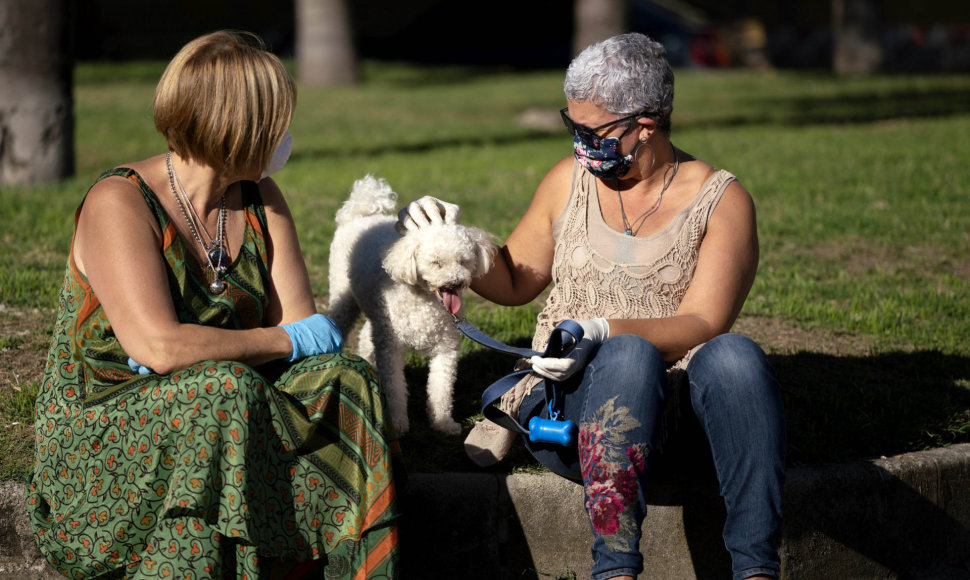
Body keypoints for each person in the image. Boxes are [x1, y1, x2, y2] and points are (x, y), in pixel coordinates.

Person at [398, 33, 785, 580]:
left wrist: (601, 330)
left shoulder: (722, 200)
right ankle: (615, 570)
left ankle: (756, 570)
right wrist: (447, 237)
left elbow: (704, 322)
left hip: (677, 418)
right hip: (573, 414)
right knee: (627, 358)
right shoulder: (568, 181)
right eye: (572, 126)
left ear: (645, 126)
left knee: (736, 357)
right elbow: (513, 280)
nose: (579, 144)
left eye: (592, 131)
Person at [27, 30, 400, 579]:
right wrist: (279, 341)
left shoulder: (258, 197)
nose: (285, 136)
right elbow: (161, 347)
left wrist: (265, 344)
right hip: (113, 423)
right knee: (221, 389)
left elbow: (306, 339)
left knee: (346, 378)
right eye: (275, 123)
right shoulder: (121, 202)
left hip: (230, 392)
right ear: (238, 129)